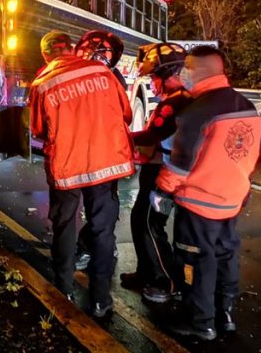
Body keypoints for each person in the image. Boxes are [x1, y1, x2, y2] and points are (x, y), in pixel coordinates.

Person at [152, 46, 261, 341]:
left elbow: (180, 166)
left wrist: (161, 193)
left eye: (187, 67)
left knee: (195, 262)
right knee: (226, 256)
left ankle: (200, 323)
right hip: (232, 200)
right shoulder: (246, 106)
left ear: (201, 70)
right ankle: (225, 315)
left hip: (199, 203)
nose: (183, 73)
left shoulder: (197, 111)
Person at [29, 30, 134, 317]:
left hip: (67, 168)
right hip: (105, 163)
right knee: (102, 231)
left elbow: (38, 130)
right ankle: (101, 299)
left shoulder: (42, 83)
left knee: (65, 226)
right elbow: (126, 113)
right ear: (72, 49)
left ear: (45, 54)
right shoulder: (103, 73)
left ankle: (63, 289)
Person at [118, 43, 192, 304]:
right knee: (140, 220)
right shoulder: (177, 99)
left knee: (151, 223)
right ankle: (147, 272)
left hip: (165, 174)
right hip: (157, 169)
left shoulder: (177, 102)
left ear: (166, 73)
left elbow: (153, 134)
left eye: (154, 77)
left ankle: (167, 281)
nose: (152, 83)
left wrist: (122, 135)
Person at [73, 30, 127, 271]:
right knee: (94, 208)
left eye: (103, 51)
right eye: (93, 48)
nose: (97, 54)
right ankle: (99, 246)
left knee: (101, 210)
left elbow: (124, 115)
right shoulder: (72, 76)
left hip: (105, 157)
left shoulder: (114, 80)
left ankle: (94, 250)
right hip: (82, 155)